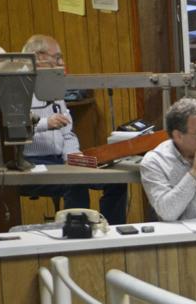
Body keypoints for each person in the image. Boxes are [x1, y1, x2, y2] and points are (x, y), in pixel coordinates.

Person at [19, 34, 127, 225]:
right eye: (57, 58)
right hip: (31, 163)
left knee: (115, 180)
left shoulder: (53, 89)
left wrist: (73, 155)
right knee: (75, 183)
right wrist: (45, 123)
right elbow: (13, 128)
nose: (62, 63)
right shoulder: (16, 89)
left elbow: (67, 133)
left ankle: (111, 232)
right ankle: (78, 234)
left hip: (60, 160)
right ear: (38, 58)